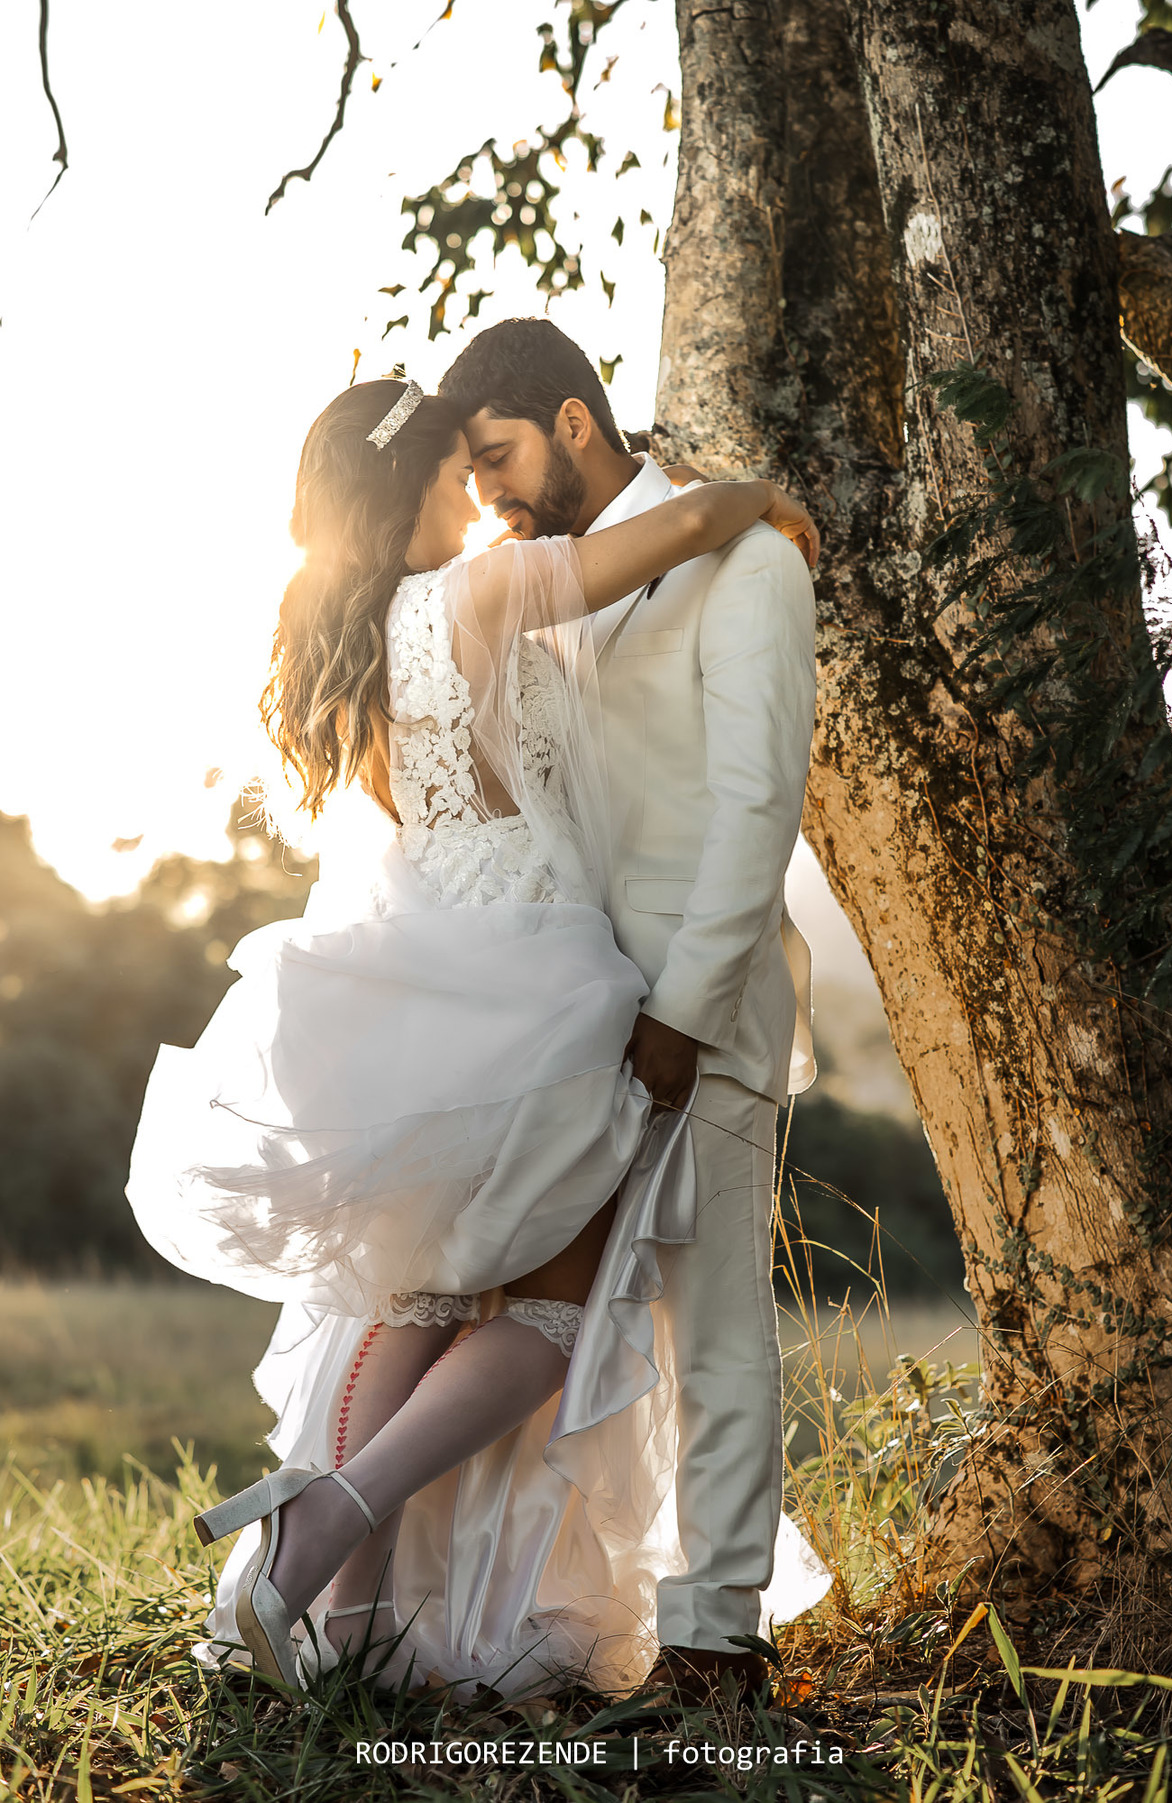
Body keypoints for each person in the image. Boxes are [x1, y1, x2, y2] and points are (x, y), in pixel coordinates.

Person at [125, 372, 827, 1698]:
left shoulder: (333, 637)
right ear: (411, 488)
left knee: (415, 1300)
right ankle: (327, 1519)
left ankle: (346, 1624)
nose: (478, 500)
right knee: (556, 1306)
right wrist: (759, 494)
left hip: (425, 985)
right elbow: (678, 528)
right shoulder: (477, 594)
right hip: (542, 983)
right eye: (460, 475)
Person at [439, 319, 824, 1704]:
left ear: (572, 421)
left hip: (697, 1015)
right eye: (469, 474)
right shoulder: (548, 579)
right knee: (565, 1333)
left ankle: (718, 1648)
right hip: (566, 1018)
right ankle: (546, 1617)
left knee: (713, 1331)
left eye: (498, 456)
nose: (488, 492)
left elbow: (757, 808)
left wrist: (683, 1012)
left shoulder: (749, 561)